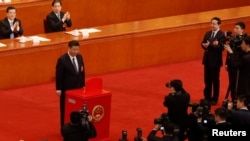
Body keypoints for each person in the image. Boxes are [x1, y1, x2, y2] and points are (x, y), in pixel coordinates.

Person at [56, 40, 85, 127]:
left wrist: (83, 85)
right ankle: (64, 127)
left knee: (77, 107)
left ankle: (77, 125)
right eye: (74, 50)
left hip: (78, 88)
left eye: (77, 49)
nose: (76, 52)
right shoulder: (62, 59)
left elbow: (82, 72)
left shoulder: (80, 57)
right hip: (67, 89)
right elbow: (59, 75)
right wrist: (58, 89)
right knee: (65, 108)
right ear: (68, 48)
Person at [201, 17, 226, 105]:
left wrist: (210, 45)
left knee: (215, 80)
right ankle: (207, 97)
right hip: (207, 60)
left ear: (219, 25)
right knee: (207, 80)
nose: (212, 25)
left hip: (215, 61)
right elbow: (203, 43)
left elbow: (220, 48)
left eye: (214, 24)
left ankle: (214, 99)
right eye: (211, 23)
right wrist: (204, 45)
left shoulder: (221, 35)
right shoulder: (207, 33)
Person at [224, 22, 246, 101]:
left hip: (238, 64)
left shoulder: (245, 40)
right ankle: (233, 99)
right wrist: (227, 63)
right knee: (231, 83)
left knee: (237, 84)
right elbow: (228, 51)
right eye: (234, 28)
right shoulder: (232, 39)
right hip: (231, 63)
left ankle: (238, 100)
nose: (235, 30)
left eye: (237, 28)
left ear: (242, 30)